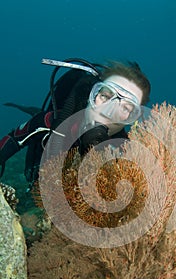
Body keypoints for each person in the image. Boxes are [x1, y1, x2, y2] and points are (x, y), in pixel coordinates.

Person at [0, 58, 151, 190]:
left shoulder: (127, 153)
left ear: (132, 118)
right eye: (105, 96)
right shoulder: (48, 122)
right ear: (90, 95)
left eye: (125, 108)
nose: (107, 111)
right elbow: (13, 138)